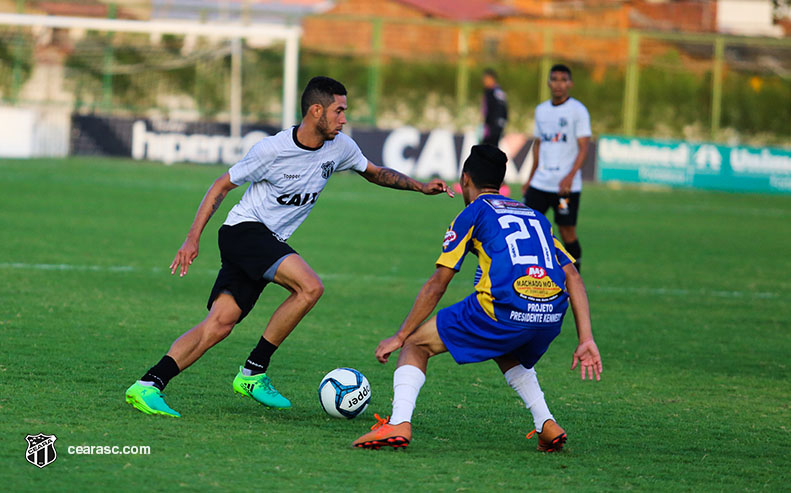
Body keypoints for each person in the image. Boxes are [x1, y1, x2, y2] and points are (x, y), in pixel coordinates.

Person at [125, 76, 454, 418]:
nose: (344, 119)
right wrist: (192, 238)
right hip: (244, 232)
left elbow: (374, 172)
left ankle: (148, 385)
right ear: (316, 111)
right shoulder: (273, 150)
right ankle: (253, 371)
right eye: (338, 111)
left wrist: (419, 187)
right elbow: (221, 185)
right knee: (310, 287)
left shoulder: (340, 147)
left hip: (266, 241)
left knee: (219, 325)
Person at [352, 145, 602, 451]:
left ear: (464, 179)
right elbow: (573, 276)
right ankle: (546, 423)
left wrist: (400, 335)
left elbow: (438, 284)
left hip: (505, 307)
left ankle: (398, 423)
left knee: (416, 345)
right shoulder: (535, 215)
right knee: (506, 346)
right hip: (549, 314)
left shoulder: (473, 213)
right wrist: (585, 338)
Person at [523, 64, 591, 271]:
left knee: (567, 231)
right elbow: (538, 144)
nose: (558, 84)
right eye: (554, 79)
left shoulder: (578, 111)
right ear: (548, 83)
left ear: (570, 83)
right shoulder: (541, 110)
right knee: (527, 227)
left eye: (563, 79)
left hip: (565, 185)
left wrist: (570, 176)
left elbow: (584, 147)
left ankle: (574, 279)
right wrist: (530, 177)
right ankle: (530, 276)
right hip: (540, 182)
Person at [481, 68, 507, 147]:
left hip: (493, 127)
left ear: (491, 79)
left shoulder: (497, 92)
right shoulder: (488, 91)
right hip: (489, 126)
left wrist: (497, 126)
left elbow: (502, 110)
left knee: (490, 149)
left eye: (485, 79)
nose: (484, 81)